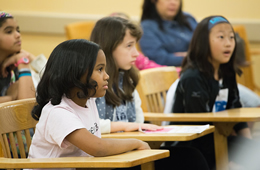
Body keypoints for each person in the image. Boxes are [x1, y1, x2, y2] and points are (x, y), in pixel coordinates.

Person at [91, 16, 210, 170]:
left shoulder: (128, 79)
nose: (136, 54)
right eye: (129, 46)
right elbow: (88, 127)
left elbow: (138, 120)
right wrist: (125, 126)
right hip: (109, 159)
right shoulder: (92, 84)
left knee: (192, 157)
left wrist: (147, 130)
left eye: (135, 46)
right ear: (108, 47)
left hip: (130, 151)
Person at [28, 39, 152, 169]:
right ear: (75, 73)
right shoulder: (58, 112)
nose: (106, 76)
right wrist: (136, 143)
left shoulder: (89, 101)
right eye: (100, 69)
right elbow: (98, 148)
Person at [170, 15, 259, 169]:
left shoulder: (227, 73)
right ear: (203, 42)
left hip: (217, 139)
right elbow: (198, 125)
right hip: (192, 146)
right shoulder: (193, 77)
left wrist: (248, 143)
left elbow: (235, 109)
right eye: (221, 37)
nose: (228, 43)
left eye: (231, 37)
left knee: (255, 151)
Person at [139, 0, 197, 66]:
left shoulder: (189, 18)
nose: (173, 3)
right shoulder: (147, 26)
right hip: (173, 72)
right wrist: (192, 57)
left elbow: (204, 44)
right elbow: (160, 59)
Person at [0, 11, 36, 102]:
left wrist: (24, 60)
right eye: (9, 31)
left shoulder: (14, 62)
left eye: (18, 30)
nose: (18, 35)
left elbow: (27, 105)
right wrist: (11, 98)